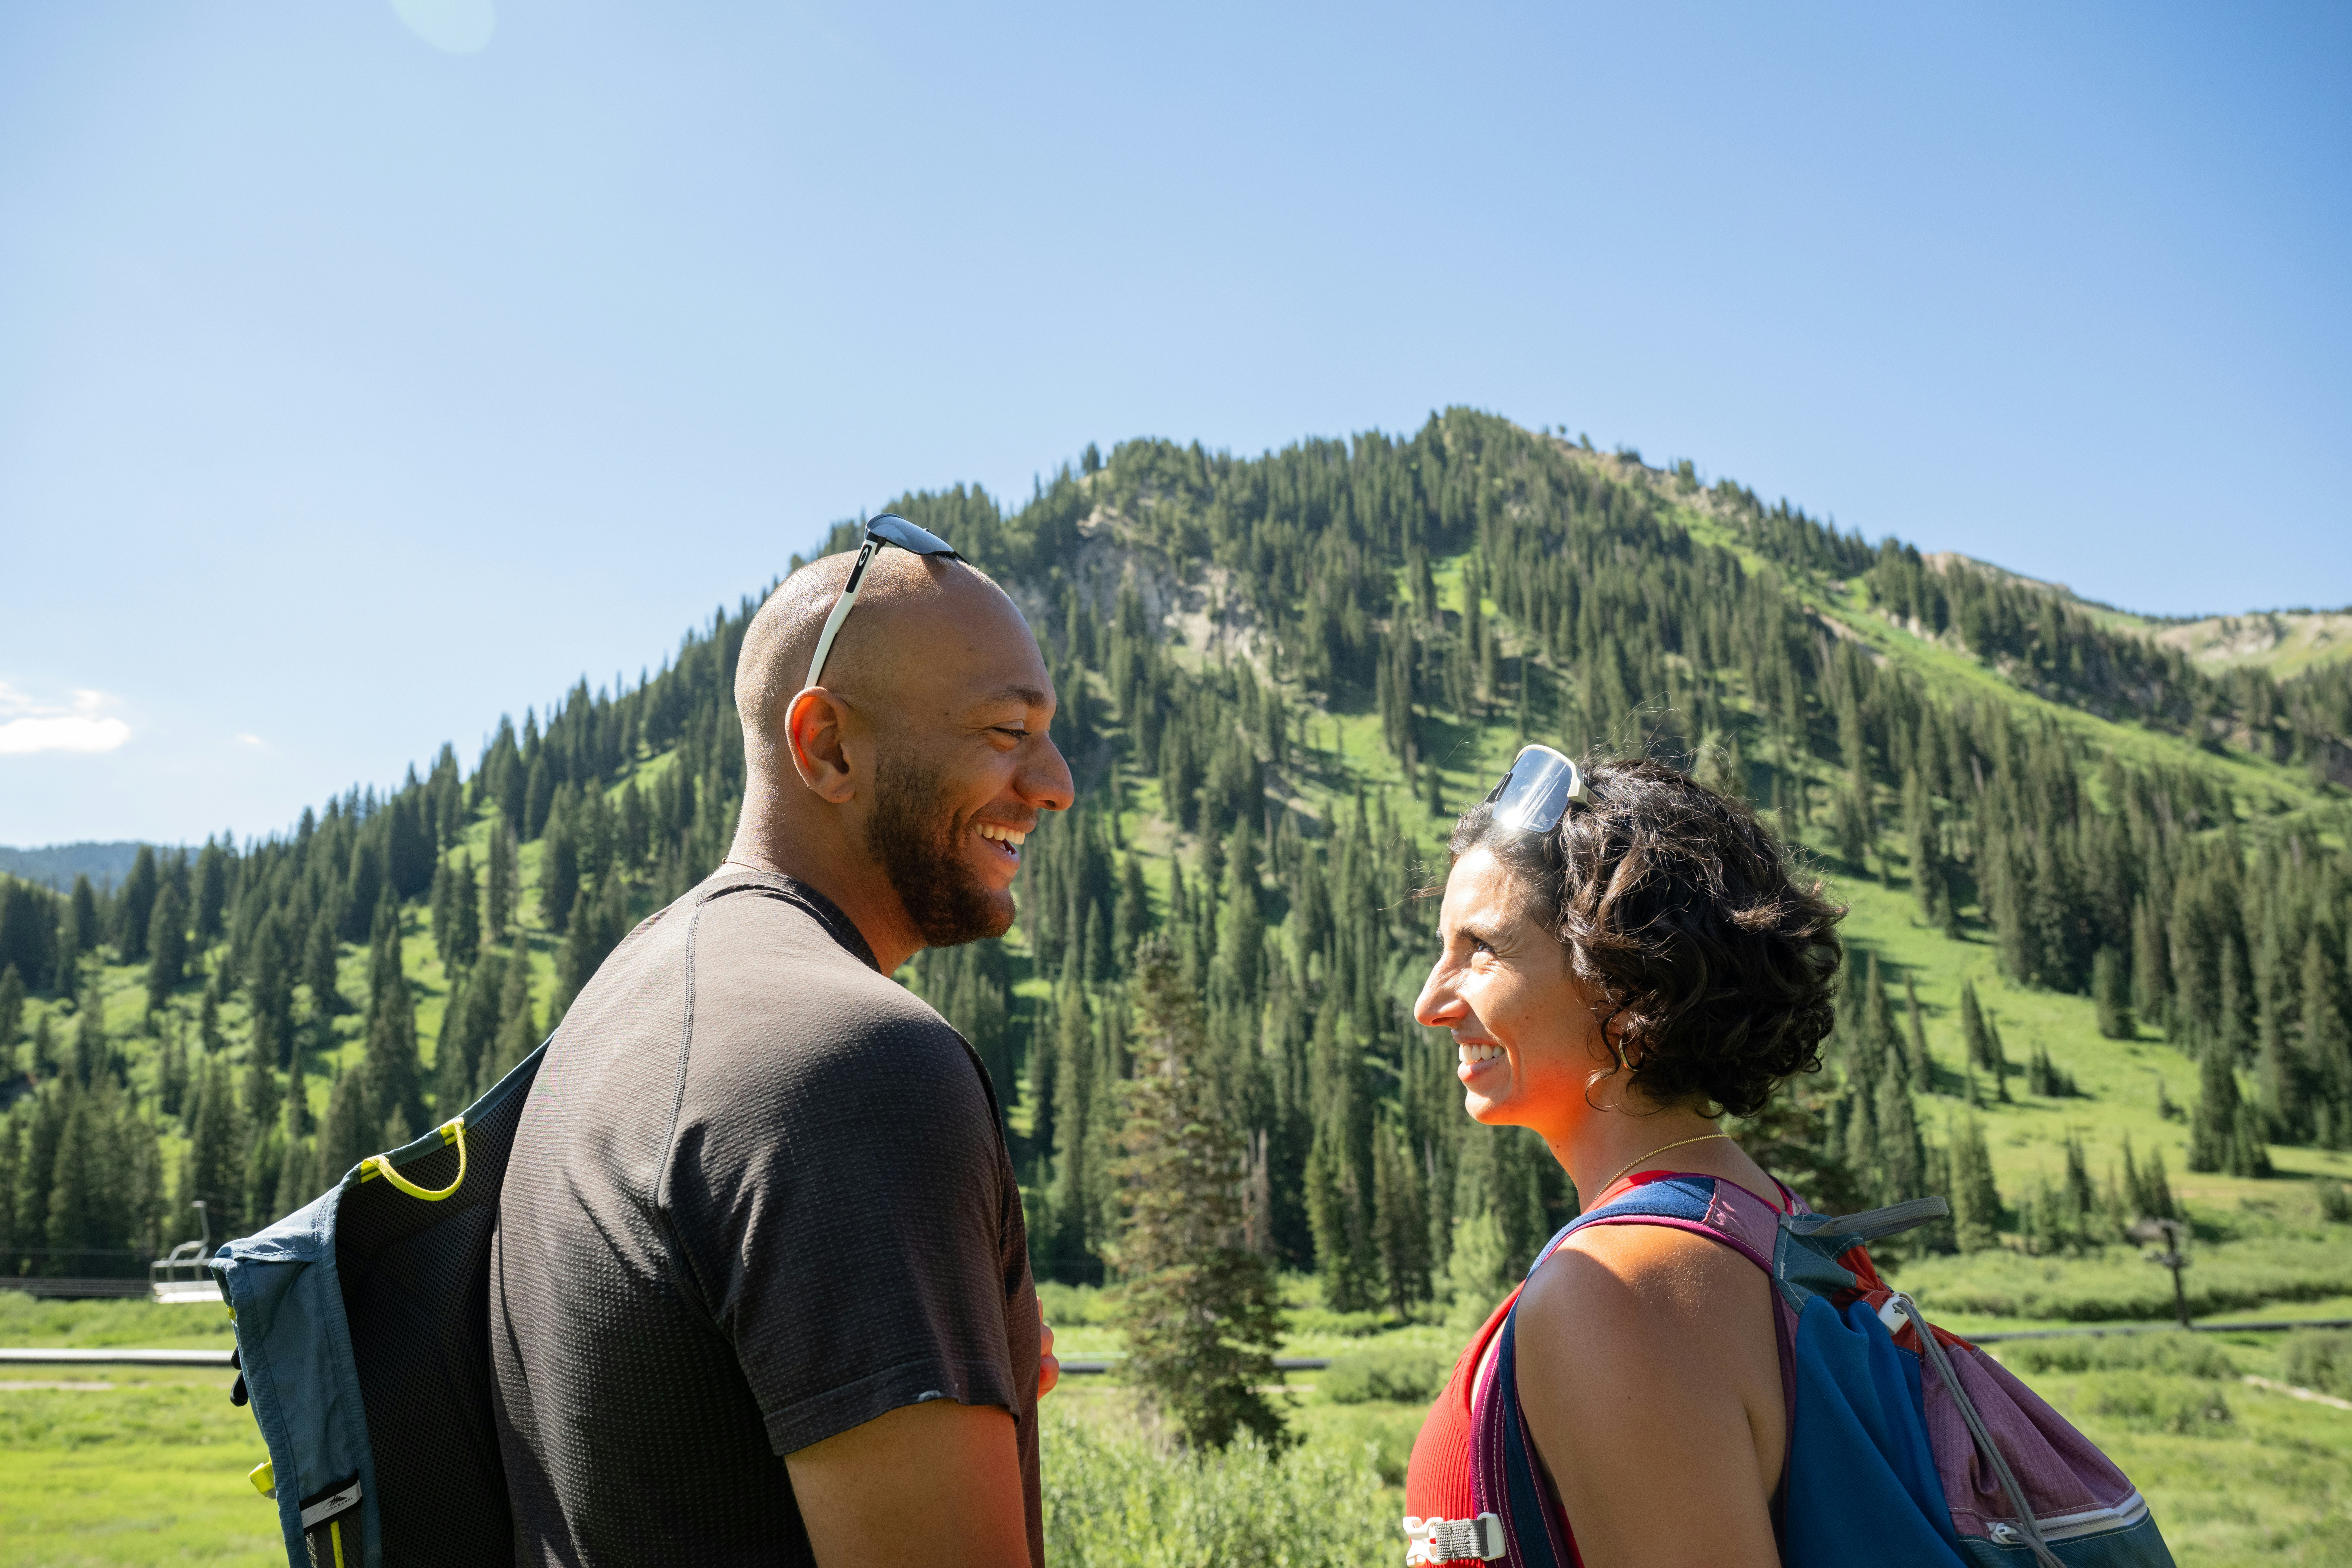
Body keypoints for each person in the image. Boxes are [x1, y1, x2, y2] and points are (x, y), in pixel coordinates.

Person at [490, 518, 1075, 1567]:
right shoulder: (857, 1068)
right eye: (1006, 732)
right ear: (829, 747)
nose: (1056, 782)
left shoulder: (626, 1000)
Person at [1404, 749, 1844, 1567]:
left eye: (1483, 950)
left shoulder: (1616, 1291)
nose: (1431, 1003)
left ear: (1622, 976)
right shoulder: (1761, 1216)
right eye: (1442, 948)